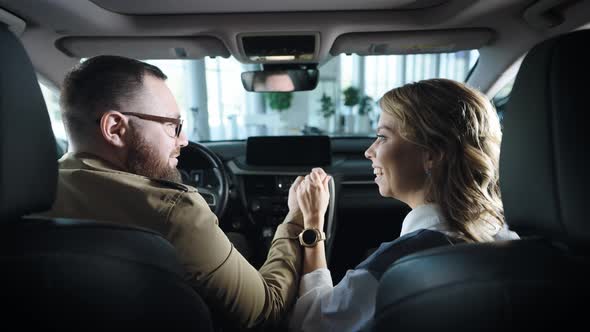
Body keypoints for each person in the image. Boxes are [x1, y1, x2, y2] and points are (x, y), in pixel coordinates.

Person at [38, 55, 306, 330]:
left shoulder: (29, 195)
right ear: (115, 128)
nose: (184, 140)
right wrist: (298, 218)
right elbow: (268, 312)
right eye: (172, 126)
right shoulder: (175, 211)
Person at [288, 78, 520, 331]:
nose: (369, 151)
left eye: (382, 137)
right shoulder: (507, 235)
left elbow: (312, 324)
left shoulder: (400, 265)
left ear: (432, 155)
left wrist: (312, 222)